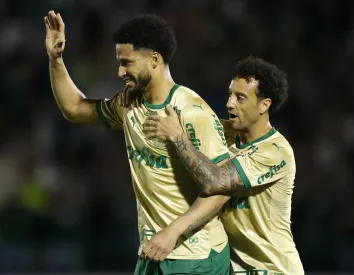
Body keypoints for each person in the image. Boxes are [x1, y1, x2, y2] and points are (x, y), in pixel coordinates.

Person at [44, 11, 232, 274]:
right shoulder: (130, 104)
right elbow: (75, 108)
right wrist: (56, 59)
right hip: (154, 251)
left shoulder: (192, 112)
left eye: (127, 63)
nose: (120, 71)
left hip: (196, 257)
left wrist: (172, 232)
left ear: (154, 60)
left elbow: (223, 187)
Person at [142, 56, 305, 274]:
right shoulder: (223, 133)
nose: (229, 103)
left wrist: (178, 136)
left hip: (272, 268)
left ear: (264, 105)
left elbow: (214, 182)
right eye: (230, 94)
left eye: (240, 98)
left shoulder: (275, 152)